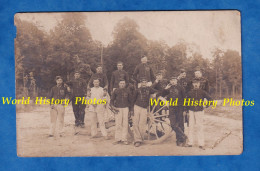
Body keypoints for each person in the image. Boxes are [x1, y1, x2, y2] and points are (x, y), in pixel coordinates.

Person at [186, 80, 213, 150]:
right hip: (191, 111)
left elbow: (210, 99)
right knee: (191, 127)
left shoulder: (203, 92)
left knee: (200, 127)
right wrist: (187, 110)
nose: (196, 85)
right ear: (192, 84)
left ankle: (201, 144)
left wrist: (206, 106)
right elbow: (186, 102)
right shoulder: (189, 93)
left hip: (199, 111)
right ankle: (190, 143)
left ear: (199, 84)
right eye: (194, 83)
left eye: (197, 83)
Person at [161, 76, 187, 146]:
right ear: (170, 81)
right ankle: (183, 136)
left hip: (180, 107)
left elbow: (185, 99)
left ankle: (180, 140)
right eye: (171, 80)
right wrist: (165, 89)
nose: (173, 81)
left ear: (176, 81)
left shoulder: (181, 88)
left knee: (180, 124)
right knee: (173, 124)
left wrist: (185, 109)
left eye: (174, 80)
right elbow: (161, 95)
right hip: (172, 108)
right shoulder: (168, 88)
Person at [132, 78, 157, 147]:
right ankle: (137, 140)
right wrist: (132, 109)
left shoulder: (149, 89)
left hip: (144, 108)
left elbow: (157, 91)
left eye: (145, 82)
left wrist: (154, 94)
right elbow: (133, 99)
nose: (144, 83)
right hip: (137, 107)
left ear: (147, 83)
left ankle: (141, 139)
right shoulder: (137, 90)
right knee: (135, 123)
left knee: (142, 124)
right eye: (143, 82)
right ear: (141, 83)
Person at [110, 79, 132, 145]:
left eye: (123, 83)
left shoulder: (128, 91)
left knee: (125, 124)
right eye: (121, 83)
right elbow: (111, 101)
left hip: (125, 108)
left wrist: (130, 111)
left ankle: (124, 139)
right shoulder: (116, 91)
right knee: (118, 124)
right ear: (119, 84)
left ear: (125, 84)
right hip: (118, 109)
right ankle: (117, 139)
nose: (122, 84)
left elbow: (130, 101)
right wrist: (114, 108)